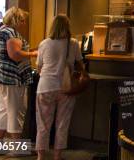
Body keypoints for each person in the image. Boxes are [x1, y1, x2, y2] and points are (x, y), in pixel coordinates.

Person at [0, 7, 36, 150]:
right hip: (10, 78)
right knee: (15, 111)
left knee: (2, 111)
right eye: (22, 20)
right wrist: (34, 53)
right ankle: (17, 149)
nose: (24, 23)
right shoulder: (11, 32)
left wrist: (28, 52)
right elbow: (15, 54)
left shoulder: (0, 31)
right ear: (16, 19)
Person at [36, 15, 83, 160]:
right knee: (62, 123)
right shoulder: (73, 43)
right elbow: (80, 64)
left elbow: (39, 67)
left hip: (45, 86)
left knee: (43, 124)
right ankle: (57, 156)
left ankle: (41, 156)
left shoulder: (44, 43)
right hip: (66, 88)